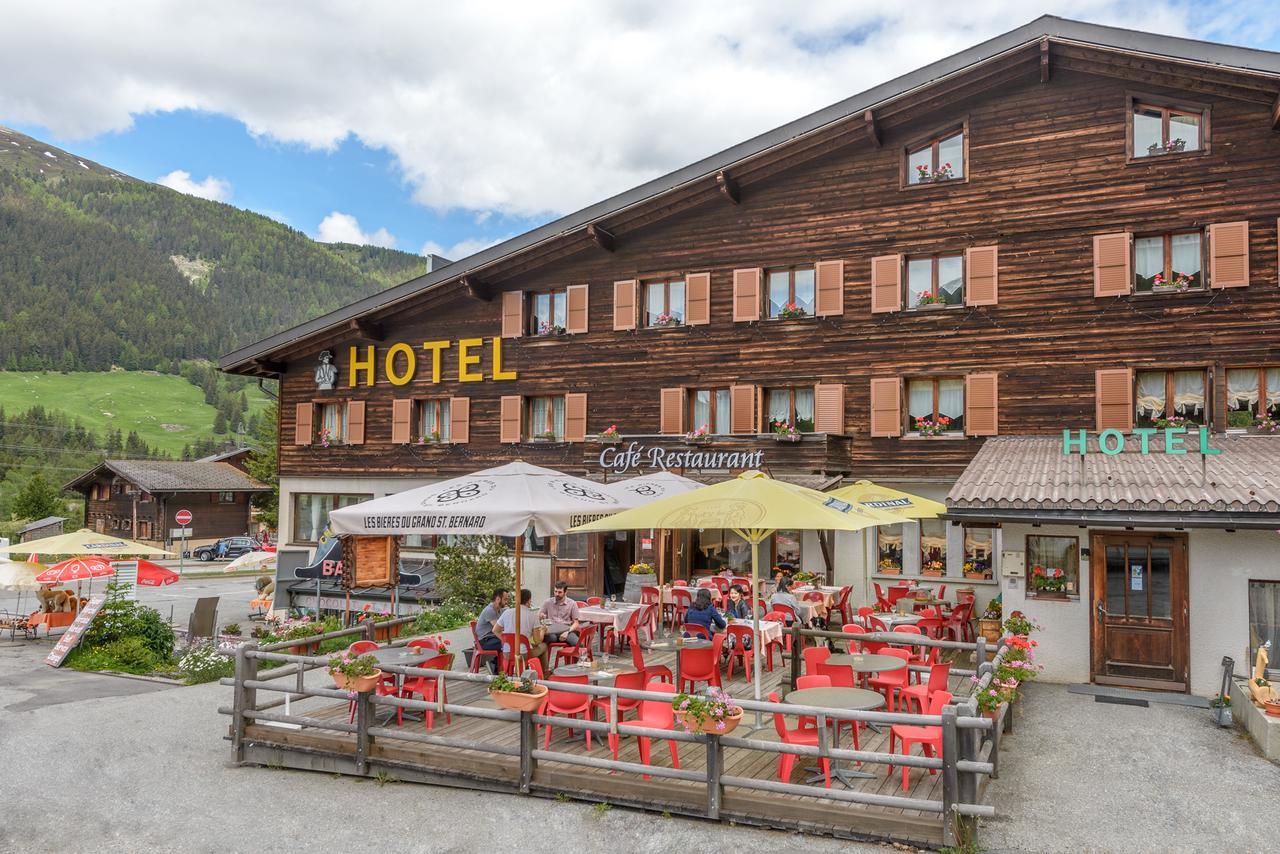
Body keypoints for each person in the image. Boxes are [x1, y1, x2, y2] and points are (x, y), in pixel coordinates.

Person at [497, 588, 548, 669]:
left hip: (507, 653)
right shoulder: (532, 616)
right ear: (529, 600)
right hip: (523, 654)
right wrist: (542, 631)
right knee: (543, 646)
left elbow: (495, 630)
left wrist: (505, 640)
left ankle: (525, 670)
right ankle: (544, 674)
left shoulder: (507, 612)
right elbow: (537, 641)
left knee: (529, 646)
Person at [475, 588, 509, 673]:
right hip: (485, 641)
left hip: (493, 637)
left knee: (508, 643)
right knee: (507, 645)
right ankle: (497, 667)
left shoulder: (500, 610)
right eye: (505, 599)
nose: (507, 602)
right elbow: (498, 628)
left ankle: (495, 665)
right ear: (498, 599)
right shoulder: (489, 610)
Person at [538, 581, 582, 647]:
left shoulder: (572, 603)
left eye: (560, 592)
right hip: (551, 630)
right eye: (555, 591)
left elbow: (576, 623)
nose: (557, 594)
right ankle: (544, 654)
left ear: (565, 592)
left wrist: (567, 632)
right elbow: (538, 616)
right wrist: (541, 616)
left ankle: (571, 655)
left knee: (578, 644)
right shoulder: (547, 602)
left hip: (566, 630)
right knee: (551, 638)